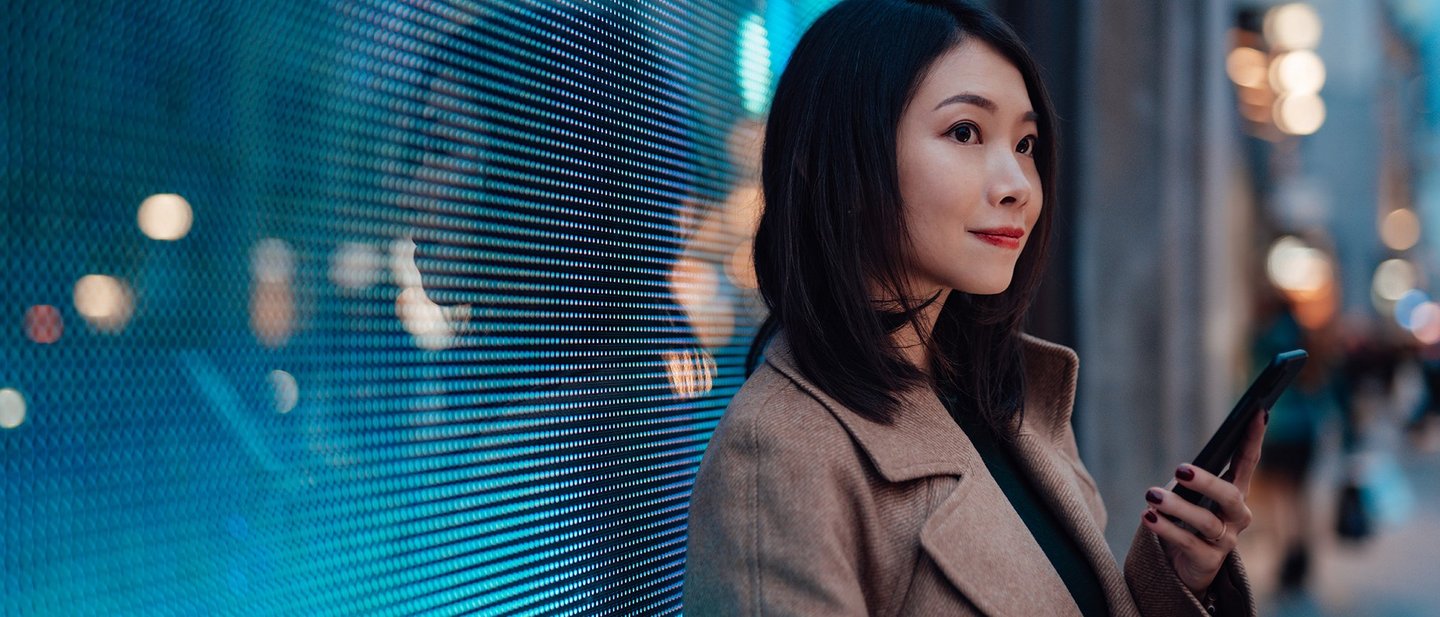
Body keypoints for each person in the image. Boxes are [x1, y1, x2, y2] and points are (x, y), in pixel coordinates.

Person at [682, 1, 1263, 615]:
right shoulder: (779, 453)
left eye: (1026, 142)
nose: (1016, 184)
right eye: (965, 132)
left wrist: (1175, 581)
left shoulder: (1007, 396)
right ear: (844, 152)